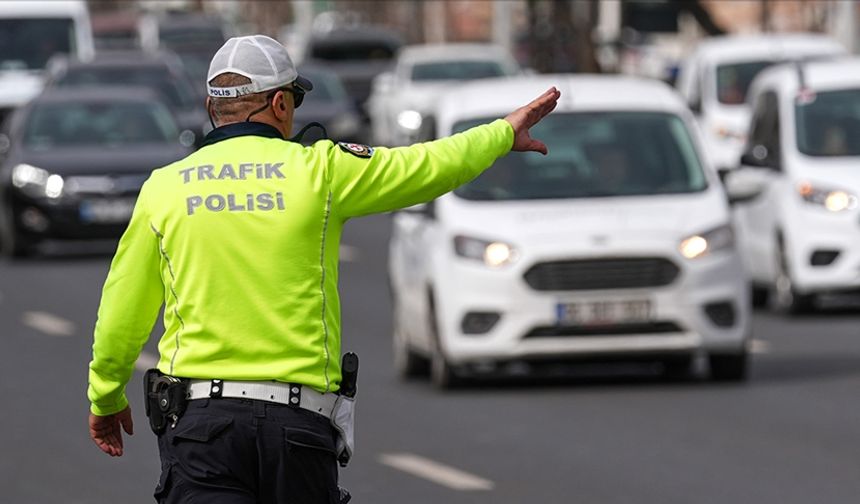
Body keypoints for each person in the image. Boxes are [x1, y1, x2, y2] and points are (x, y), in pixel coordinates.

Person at [87, 34, 560, 503]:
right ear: (279, 104)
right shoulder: (322, 171)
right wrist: (502, 134)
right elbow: (427, 166)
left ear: (213, 107)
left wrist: (106, 398)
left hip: (202, 431)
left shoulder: (164, 189)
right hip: (297, 428)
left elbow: (121, 311)